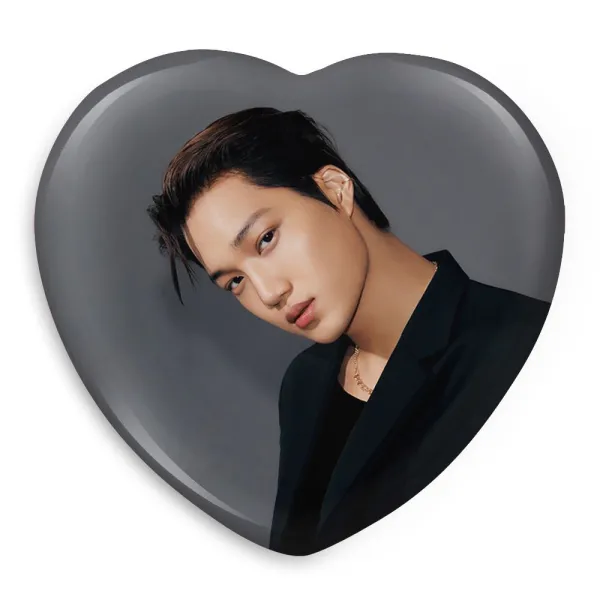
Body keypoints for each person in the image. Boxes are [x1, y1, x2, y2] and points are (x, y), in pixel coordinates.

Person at [146, 106, 551, 555]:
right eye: (235, 282)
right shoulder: (306, 385)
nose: (269, 292)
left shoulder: (524, 347)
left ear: (335, 190)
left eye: (266, 239)